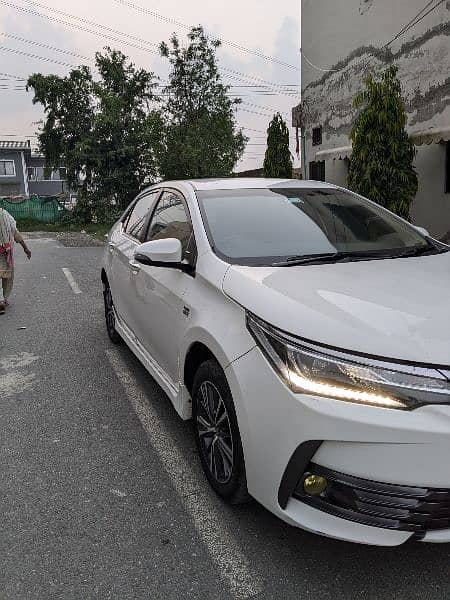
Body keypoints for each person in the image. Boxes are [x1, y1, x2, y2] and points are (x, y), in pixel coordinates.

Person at [0, 207, 31, 314]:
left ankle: (1, 300)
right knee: (6, 276)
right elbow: (14, 231)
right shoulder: (4, 214)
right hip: (4, 250)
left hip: (3, 251)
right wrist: (25, 248)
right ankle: (2, 299)